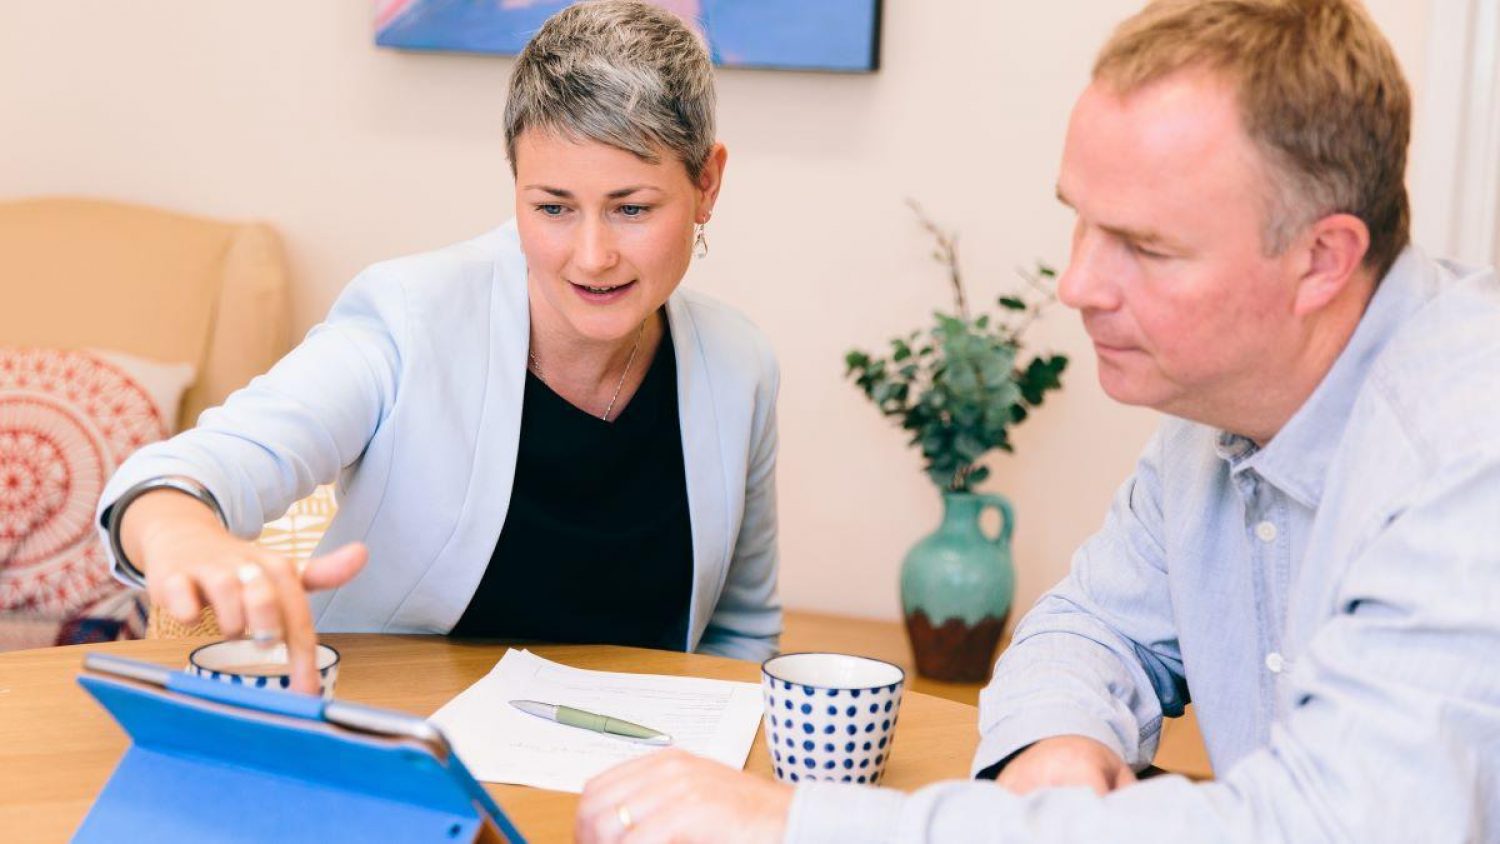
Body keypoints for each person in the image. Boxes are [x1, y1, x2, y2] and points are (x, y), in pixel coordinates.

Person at [574, 0, 1500, 840]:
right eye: (1082, 223)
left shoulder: (1468, 449)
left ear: (1322, 259)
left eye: (1146, 246)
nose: (1078, 285)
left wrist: (795, 826)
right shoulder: (1217, 404)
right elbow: (1088, 628)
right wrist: (1054, 742)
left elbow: (1329, 828)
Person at [96, 0, 781, 695]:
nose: (592, 255)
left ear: (707, 184)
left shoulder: (739, 364)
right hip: (401, 741)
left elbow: (739, 634)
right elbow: (191, 473)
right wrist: (181, 533)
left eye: (631, 208)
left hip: (634, 776)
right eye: (552, 207)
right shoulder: (408, 316)